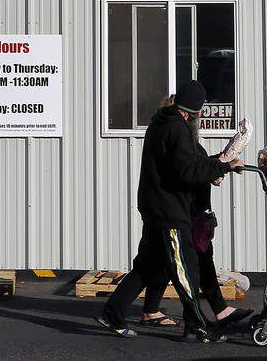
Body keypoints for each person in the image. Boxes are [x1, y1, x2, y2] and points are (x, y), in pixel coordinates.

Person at [95, 81, 243, 343]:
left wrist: (218, 162)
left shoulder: (161, 124)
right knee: (185, 270)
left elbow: (187, 164)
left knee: (148, 267)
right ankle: (196, 326)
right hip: (169, 212)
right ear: (194, 111)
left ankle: (112, 313)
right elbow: (188, 172)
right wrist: (224, 167)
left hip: (156, 207)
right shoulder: (178, 130)